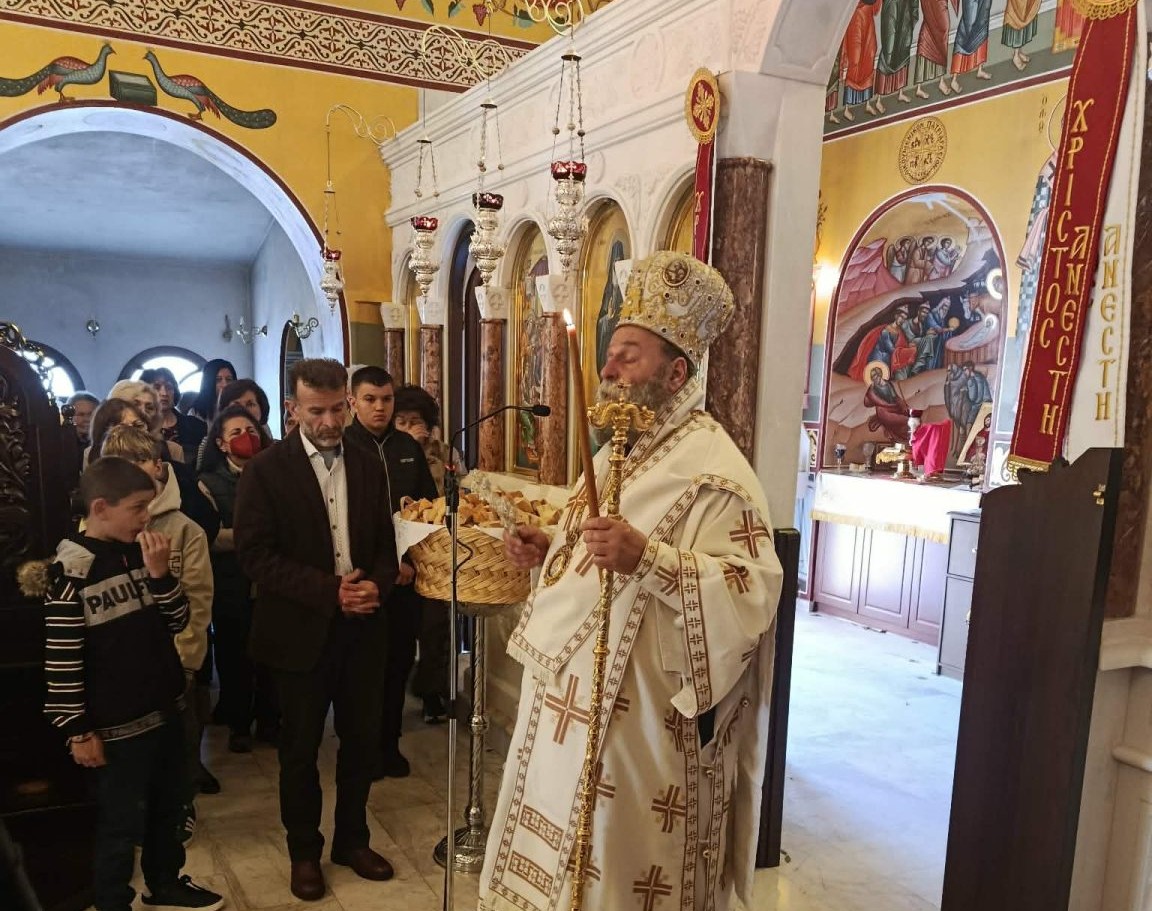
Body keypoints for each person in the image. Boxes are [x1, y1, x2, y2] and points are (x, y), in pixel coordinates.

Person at [479, 252, 784, 911]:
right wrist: (550, 546)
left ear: (676, 373)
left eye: (628, 356)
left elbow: (752, 588)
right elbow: (595, 546)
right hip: (568, 702)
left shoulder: (715, 470)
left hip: (639, 715)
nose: (609, 369)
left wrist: (651, 559)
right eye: (610, 354)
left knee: (615, 863)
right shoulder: (626, 449)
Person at [234, 358, 399, 901]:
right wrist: (331, 591)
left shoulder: (368, 462)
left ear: (347, 403)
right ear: (292, 409)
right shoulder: (266, 470)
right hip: (298, 629)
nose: (329, 423)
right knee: (300, 749)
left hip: (363, 629)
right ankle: (304, 852)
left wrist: (376, 585)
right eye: (315, 411)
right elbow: (256, 556)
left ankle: (352, 840)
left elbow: (385, 544)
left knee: (362, 743)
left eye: (336, 410)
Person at [38, 456, 223, 911]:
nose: (146, 518)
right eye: (138, 508)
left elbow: (178, 620)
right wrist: (77, 730)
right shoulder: (70, 573)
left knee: (170, 806)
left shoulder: (142, 552)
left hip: (165, 708)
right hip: (115, 727)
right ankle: (111, 901)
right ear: (101, 507)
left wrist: (161, 575)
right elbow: (62, 660)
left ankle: (165, 883)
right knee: (120, 824)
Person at [100, 426, 215, 846]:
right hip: (122, 669)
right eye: (129, 463)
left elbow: (197, 602)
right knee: (132, 754)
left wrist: (185, 662)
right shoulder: (99, 529)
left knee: (178, 746)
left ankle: (180, 807)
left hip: (172, 665)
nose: (142, 469)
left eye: (147, 460)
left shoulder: (183, 529)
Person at [345, 366, 439, 777]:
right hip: (362, 576)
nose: (379, 407)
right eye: (370, 399)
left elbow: (426, 509)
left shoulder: (407, 448)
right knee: (362, 670)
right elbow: (345, 520)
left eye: (386, 399)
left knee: (397, 663)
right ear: (353, 402)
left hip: (405, 578)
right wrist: (380, 567)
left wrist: (412, 561)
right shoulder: (344, 447)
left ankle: (389, 744)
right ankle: (362, 749)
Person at [198, 405, 278, 753]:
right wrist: (257, 538)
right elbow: (212, 536)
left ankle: (270, 720)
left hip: (272, 581)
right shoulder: (208, 482)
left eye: (251, 430)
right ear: (220, 443)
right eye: (236, 433)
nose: (246, 437)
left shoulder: (276, 473)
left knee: (271, 655)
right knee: (234, 656)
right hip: (231, 580)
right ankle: (239, 723)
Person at [392, 383, 455, 723]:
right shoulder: (387, 452)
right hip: (398, 550)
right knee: (401, 628)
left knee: (434, 626)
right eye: (400, 421)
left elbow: (453, 495)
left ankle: (431, 691)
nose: (407, 427)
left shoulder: (444, 454)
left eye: (414, 421)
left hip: (434, 550)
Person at [141, 367, 206, 465]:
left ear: (175, 392)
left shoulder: (196, 426)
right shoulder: (140, 428)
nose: (164, 393)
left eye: (169, 387)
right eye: (157, 387)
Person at [187, 359, 237, 426]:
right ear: (209, 383)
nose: (225, 385)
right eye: (218, 380)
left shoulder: (239, 406)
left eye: (229, 379)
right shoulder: (196, 412)